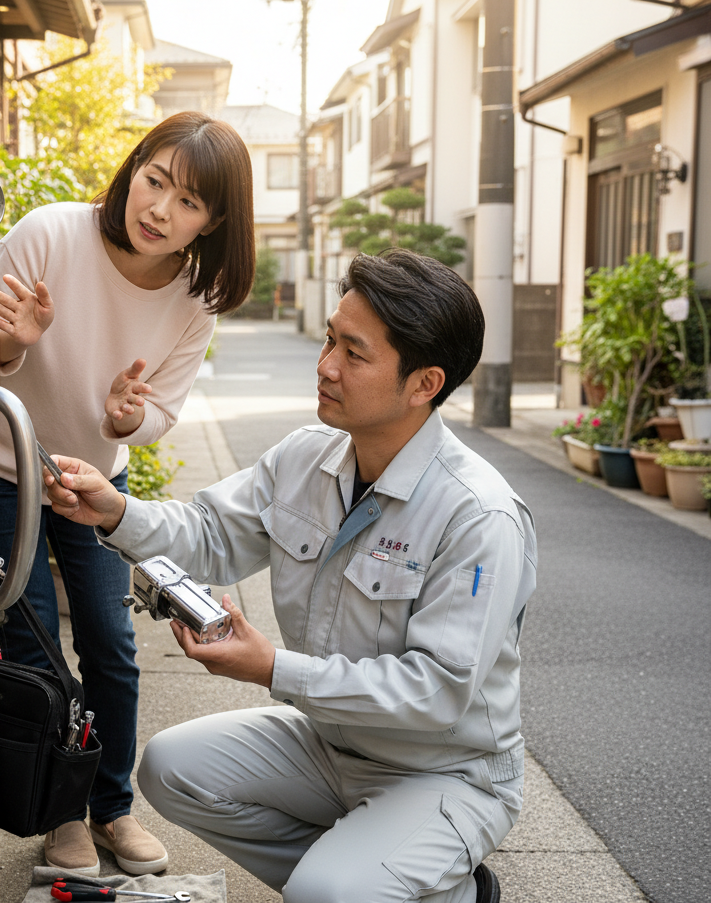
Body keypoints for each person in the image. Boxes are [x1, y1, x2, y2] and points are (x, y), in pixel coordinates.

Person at [41, 249, 537, 903]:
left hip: (446, 771)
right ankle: (371, 875)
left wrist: (273, 667)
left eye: (354, 355)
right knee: (170, 770)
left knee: (325, 893)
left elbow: (437, 693)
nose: (326, 365)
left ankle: (436, 887)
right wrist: (116, 510)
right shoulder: (308, 457)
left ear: (425, 383)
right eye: (331, 339)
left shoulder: (480, 517)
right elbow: (211, 534)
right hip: (331, 744)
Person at [0, 112, 255, 877]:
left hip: (97, 484)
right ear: (132, 169)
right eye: (155, 179)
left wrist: (125, 420)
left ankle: (111, 809)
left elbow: (157, 413)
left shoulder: (195, 297)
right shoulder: (50, 236)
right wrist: (18, 342)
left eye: (189, 202)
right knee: (37, 647)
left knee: (112, 642)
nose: (160, 209)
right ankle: (59, 817)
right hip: (7, 476)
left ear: (214, 223)